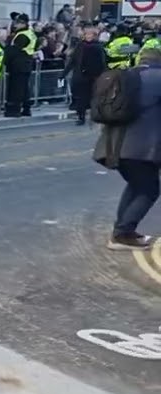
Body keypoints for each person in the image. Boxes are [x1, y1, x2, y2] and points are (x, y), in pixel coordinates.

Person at [101, 47, 161, 249]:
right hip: (142, 148)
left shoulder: (129, 76)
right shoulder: (158, 78)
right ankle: (122, 234)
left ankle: (122, 230)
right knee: (149, 189)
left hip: (114, 144)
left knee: (137, 184)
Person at [66, 22, 107, 126]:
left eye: (90, 34)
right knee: (81, 98)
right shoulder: (80, 45)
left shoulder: (98, 47)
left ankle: (96, 115)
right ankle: (81, 117)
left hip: (94, 76)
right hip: (81, 76)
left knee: (94, 97)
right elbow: (73, 60)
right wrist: (64, 73)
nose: (88, 36)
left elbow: (102, 62)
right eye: (86, 34)